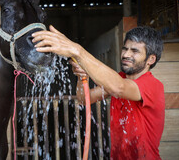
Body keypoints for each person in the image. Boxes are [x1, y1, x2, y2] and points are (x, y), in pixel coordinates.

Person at [32, 25, 165, 160]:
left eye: (135, 51)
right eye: (125, 49)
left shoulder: (153, 85)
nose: (126, 55)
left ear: (151, 59)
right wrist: (81, 77)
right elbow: (84, 99)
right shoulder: (120, 78)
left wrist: (78, 51)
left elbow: (119, 88)